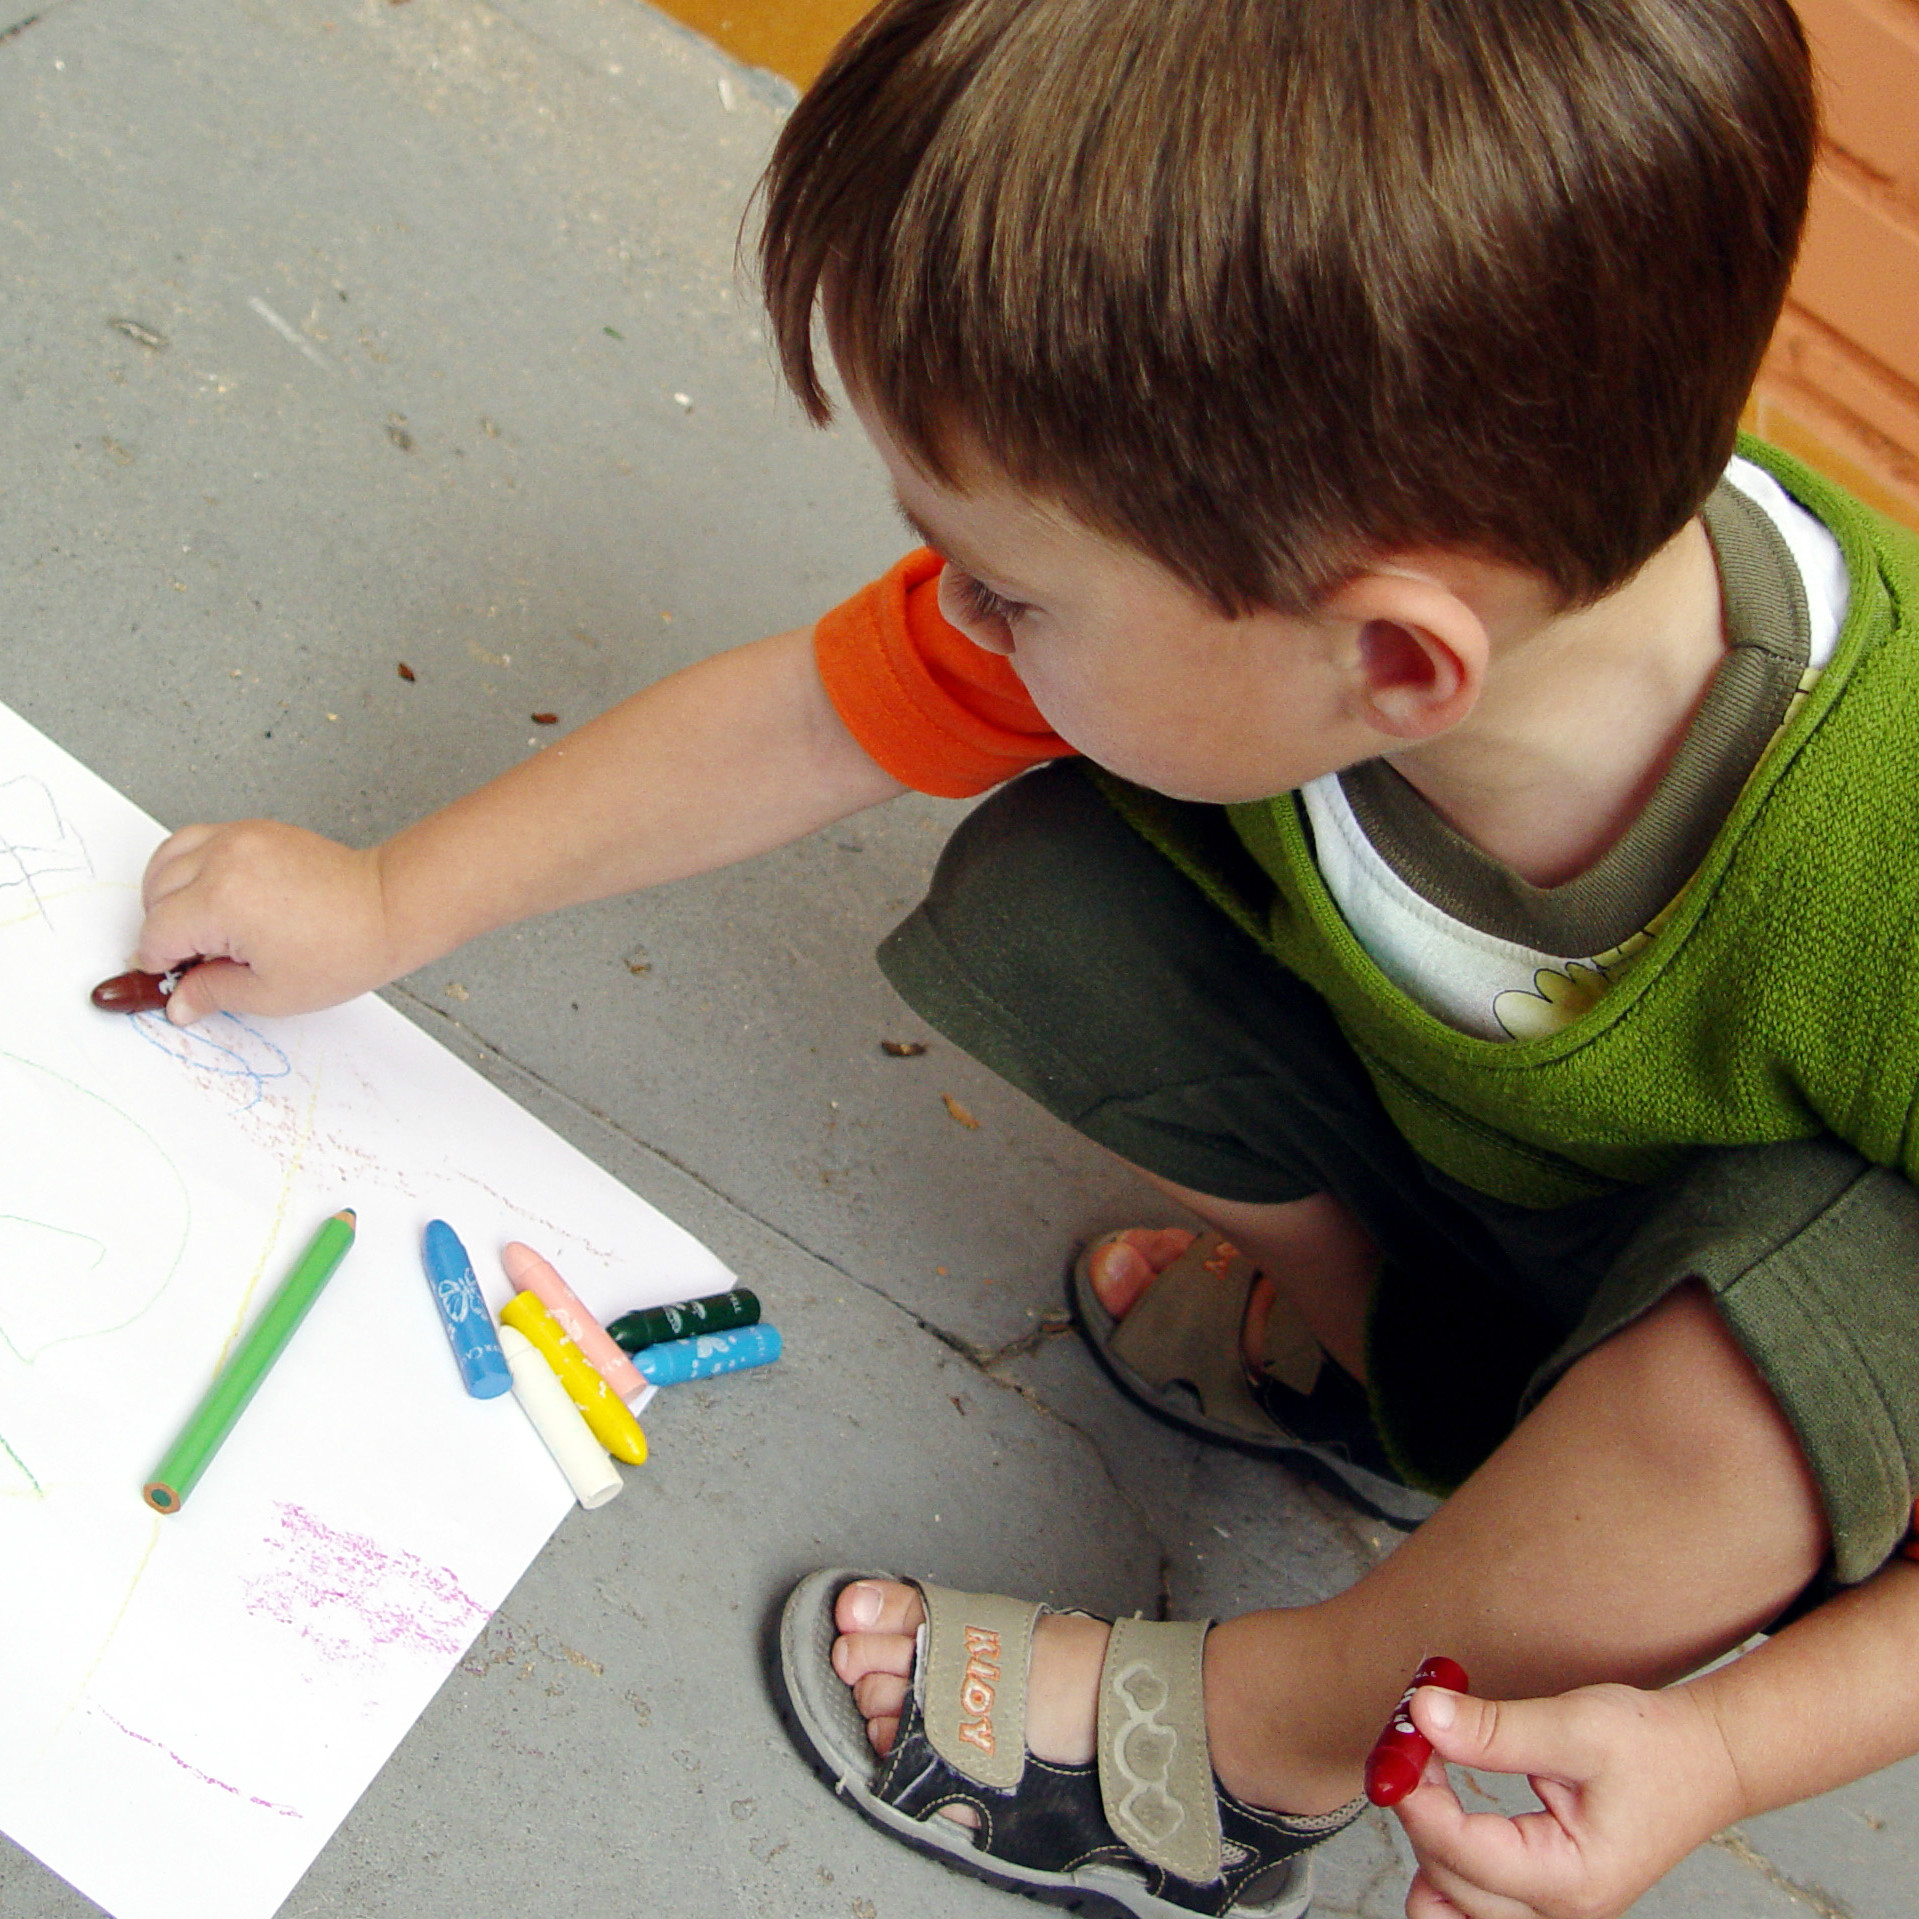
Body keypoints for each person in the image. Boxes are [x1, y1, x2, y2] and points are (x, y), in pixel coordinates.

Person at [131, 0, 1919, 1912]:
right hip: (1496, 1217)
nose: (960, 613)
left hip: (1730, 1385)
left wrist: (1723, 1749)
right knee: (1054, 898)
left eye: (1011, 589)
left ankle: (1282, 1735)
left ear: (1395, 658)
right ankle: (1422, 1390)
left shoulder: (1879, 855)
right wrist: (391, 899)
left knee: (1811, 1341)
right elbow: (813, 718)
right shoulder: (1314, 580)